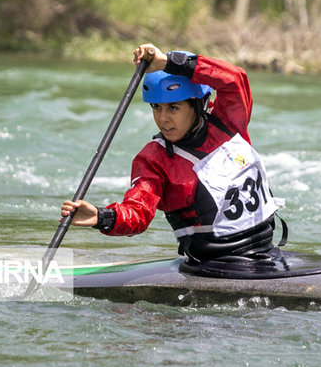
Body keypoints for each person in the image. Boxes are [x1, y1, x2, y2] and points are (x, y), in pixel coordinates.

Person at [61, 43, 286, 264]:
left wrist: (171, 62)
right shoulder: (154, 159)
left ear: (198, 105)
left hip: (265, 250)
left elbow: (234, 78)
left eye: (173, 108)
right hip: (216, 264)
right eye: (156, 108)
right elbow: (138, 212)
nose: (163, 119)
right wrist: (102, 218)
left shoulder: (228, 123)